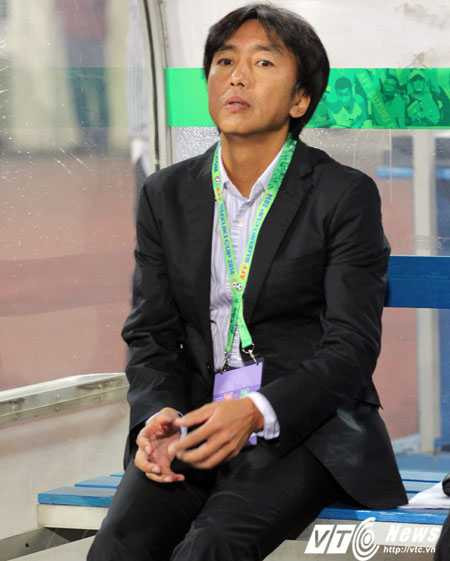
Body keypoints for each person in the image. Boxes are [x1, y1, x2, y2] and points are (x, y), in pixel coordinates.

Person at [87, 4, 407, 560]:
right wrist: (157, 414)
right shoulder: (166, 194)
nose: (236, 77)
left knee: (210, 547)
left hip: (303, 428)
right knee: (118, 546)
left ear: (300, 100)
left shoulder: (343, 194)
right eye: (224, 61)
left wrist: (257, 409)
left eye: (263, 63)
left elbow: (351, 347)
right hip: (198, 422)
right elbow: (151, 332)